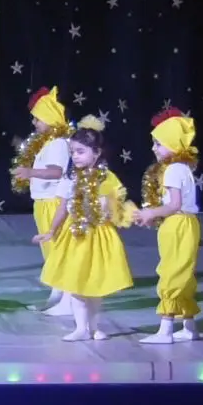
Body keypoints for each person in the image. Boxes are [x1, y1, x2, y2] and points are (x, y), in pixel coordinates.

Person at [33, 117, 136, 341]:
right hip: (75, 235)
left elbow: (115, 204)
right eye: (72, 152)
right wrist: (51, 231)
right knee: (76, 284)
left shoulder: (106, 178)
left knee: (94, 286)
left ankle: (93, 327)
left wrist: (113, 210)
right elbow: (62, 208)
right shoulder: (70, 178)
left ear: (96, 153)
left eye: (80, 152)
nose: (75, 156)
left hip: (99, 235)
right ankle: (81, 328)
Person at [136, 108, 203, 344]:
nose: (153, 148)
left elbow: (174, 205)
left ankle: (165, 330)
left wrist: (151, 212)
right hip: (184, 224)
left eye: (158, 143)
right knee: (182, 272)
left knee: (172, 272)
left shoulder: (174, 170)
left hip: (178, 225)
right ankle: (189, 327)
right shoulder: (181, 167)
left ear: (174, 144)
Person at [12, 85, 74, 314]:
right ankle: (57, 296)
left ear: (49, 118)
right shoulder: (48, 142)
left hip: (52, 203)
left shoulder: (58, 144)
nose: (34, 123)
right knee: (51, 253)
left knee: (58, 251)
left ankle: (67, 300)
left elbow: (56, 172)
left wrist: (30, 172)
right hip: (43, 203)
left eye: (38, 119)